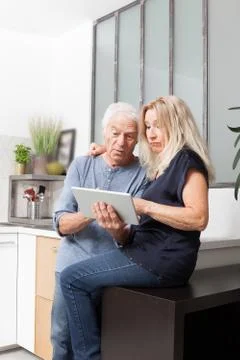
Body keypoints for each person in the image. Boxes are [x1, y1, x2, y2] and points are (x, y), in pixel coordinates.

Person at [60, 95, 215, 360]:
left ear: (177, 124)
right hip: (146, 253)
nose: (151, 134)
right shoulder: (163, 165)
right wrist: (119, 227)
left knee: (71, 278)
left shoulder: (188, 161)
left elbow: (198, 218)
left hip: (161, 261)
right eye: (148, 127)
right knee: (74, 279)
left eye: (158, 125)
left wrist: (144, 206)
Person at [51, 102, 148, 360]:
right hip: (69, 266)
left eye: (129, 136)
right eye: (114, 134)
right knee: (62, 338)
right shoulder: (82, 165)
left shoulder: (143, 174)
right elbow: (60, 222)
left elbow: (132, 235)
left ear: (137, 139)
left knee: (99, 342)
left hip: (109, 273)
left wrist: (118, 231)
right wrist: (89, 212)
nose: (121, 142)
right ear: (104, 133)